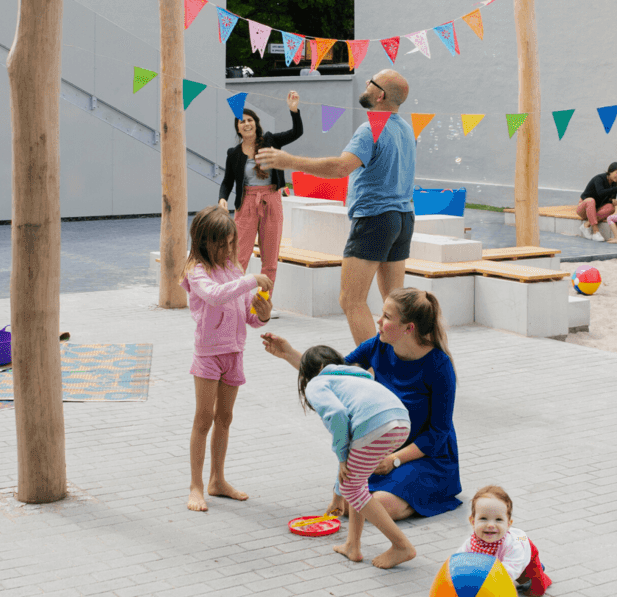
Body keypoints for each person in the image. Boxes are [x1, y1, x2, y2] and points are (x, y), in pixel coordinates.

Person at [262, 288, 462, 523]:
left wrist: (394, 460)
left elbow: (438, 433)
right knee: (350, 505)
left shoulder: (439, 366)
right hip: (382, 450)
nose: (378, 320)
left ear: (409, 328)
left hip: (426, 458)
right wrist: (289, 354)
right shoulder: (377, 345)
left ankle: (427, 497)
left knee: (378, 505)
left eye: (387, 316)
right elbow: (334, 375)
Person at [255, 69, 415, 345]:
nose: (366, 83)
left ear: (380, 95)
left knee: (351, 300)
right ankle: (401, 363)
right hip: (403, 219)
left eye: (371, 82)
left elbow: (341, 168)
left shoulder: (371, 129)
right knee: (395, 304)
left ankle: (372, 365)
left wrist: (288, 161)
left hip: (375, 219)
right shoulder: (406, 129)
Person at [179, 205, 273, 512]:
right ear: (204, 242)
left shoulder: (234, 270)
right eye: (222, 244)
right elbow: (215, 295)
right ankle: (195, 485)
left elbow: (248, 316)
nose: (228, 250)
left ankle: (217, 480)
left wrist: (262, 314)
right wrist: (252, 280)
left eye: (231, 243)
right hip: (208, 354)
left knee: (225, 418)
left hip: (234, 352)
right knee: (203, 419)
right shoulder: (196, 271)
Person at [296, 345, 418, 569]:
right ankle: (353, 545)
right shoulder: (354, 378)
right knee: (356, 482)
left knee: (352, 487)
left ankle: (401, 545)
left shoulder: (317, 383)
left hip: (375, 426)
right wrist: (338, 491)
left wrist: (342, 457)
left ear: (314, 370)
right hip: (401, 422)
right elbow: (350, 448)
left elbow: (337, 415)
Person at [219, 90, 303, 282]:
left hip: (271, 201)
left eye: (250, 120)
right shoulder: (233, 153)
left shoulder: (271, 141)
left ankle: (263, 300)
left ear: (256, 124)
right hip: (246, 203)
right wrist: (222, 198)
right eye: (242, 121)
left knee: (270, 261)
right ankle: (236, 297)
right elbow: (227, 181)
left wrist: (294, 110)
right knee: (238, 258)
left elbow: (296, 132)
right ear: (238, 128)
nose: (246, 123)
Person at [456, 485, 551, 595]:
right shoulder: (471, 543)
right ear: (473, 522)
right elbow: (459, 561)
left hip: (524, 547)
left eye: (498, 519)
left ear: (508, 524)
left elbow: (510, 572)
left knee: (536, 591)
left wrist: (487, 583)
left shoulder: (513, 545)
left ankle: (538, 569)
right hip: (506, 563)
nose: (491, 525)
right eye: (483, 518)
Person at [575, 163, 617, 241]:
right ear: (610, 171)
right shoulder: (599, 179)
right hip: (584, 209)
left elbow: (610, 199)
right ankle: (596, 232)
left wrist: (613, 201)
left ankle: (586, 224)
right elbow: (601, 193)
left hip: (595, 210)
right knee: (591, 200)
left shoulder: (616, 183)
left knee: (611, 208)